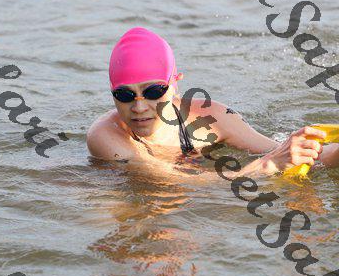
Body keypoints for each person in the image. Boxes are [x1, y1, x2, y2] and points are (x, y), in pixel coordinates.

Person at [86, 27, 339, 178]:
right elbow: (170, 183)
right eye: (124, 95)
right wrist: (267, 165)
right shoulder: (105, 136)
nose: (139, 107)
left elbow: (280, 152)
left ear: (175, 84)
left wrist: (318, 152)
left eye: (153, 91)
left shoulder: (212, 118)